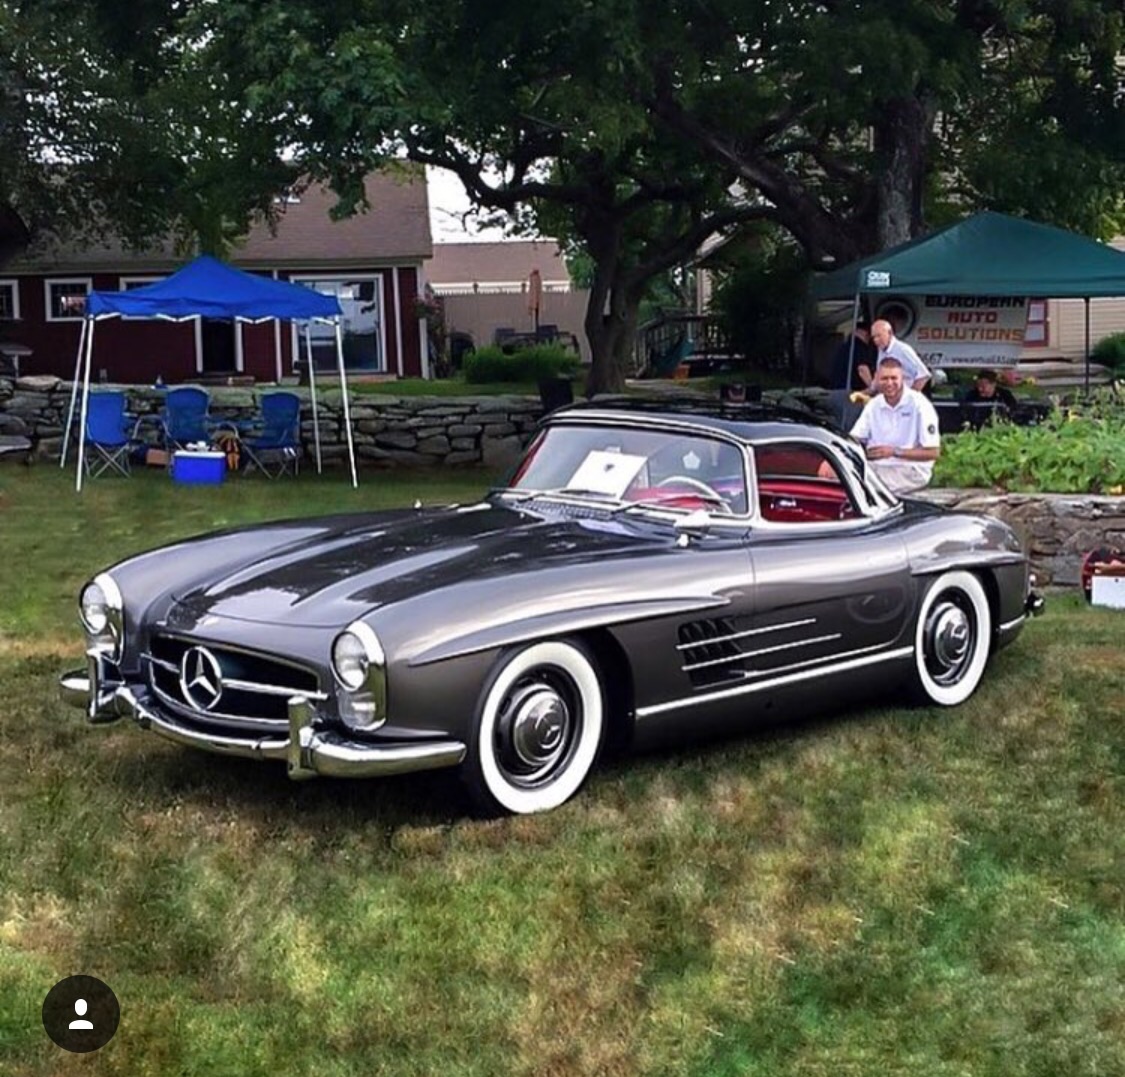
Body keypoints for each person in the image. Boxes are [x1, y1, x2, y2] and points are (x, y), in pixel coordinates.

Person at [849, 356, 940, 494]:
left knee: (861, 487)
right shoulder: (874, 405)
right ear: (876, 378)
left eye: (894, 378)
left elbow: (933, 452)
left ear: (902, 378)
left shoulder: (920, 405)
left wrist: (894, 452)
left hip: (910, 470)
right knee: (841, 478)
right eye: (884, 379)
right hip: (877, 467)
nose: (889, 383)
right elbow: (854, 438)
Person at [870, 319, 931, 393]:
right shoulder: (881, 350)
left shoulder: (902, 350)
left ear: (890, 333)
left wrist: (909, 397)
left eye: (879, 336)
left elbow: (923, 375)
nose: (876, 340)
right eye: (874, 337)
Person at [829, 320, 877, 391]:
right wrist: (873, 388)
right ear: (866, 334)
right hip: (849, 391)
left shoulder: (845, 346)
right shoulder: (859, 346)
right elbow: (862, 369)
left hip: (837, 388)